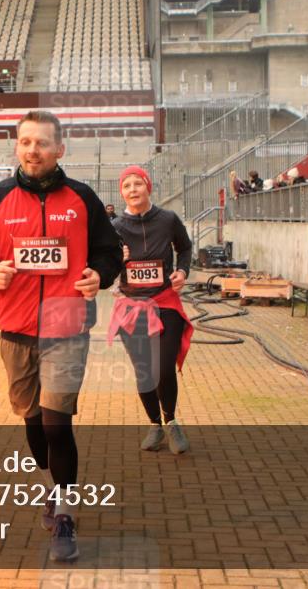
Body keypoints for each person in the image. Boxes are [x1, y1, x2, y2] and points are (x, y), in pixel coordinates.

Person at [0, 110, 122, 562]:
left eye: (42, 143)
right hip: (15, 330)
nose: (33, 150)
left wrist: (99, 275)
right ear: (17, 146)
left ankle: (65, 511)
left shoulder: (83, 199)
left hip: (68, 327)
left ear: (59, 150)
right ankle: (51, 484)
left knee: (56, 420)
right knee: (31, 420)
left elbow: (110, 254)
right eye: (26, 141)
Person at [107, 166, 194, 455]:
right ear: (122, 193)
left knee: (163, 366)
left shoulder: (168, 219)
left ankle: (171, 422)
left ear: (148, 187)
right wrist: (116, 258)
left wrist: (182, 271)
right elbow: (104, 266)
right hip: (131, 307)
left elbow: (185, 248)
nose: (133, 190)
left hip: (164, 302)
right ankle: (154, 424)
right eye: (126, 186)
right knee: (144, 370)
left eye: (137, 184)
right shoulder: (115, 227)